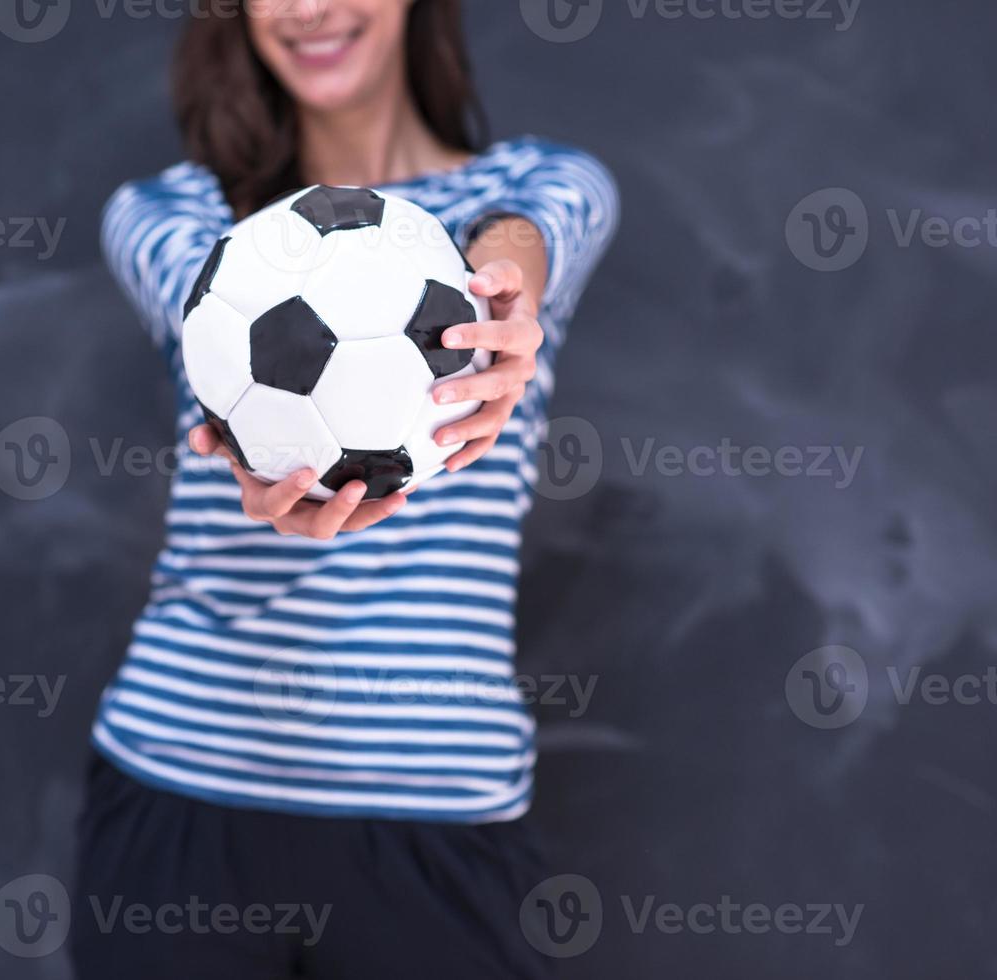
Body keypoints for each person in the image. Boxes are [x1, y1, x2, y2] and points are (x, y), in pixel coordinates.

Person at [74, 1, 618, 976]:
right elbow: (200, 293)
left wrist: (501, 283)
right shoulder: (176, 213)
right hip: (179, 796)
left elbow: (527, 230)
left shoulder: (541, 185)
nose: (308, 8)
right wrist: (256, 459)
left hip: (436, 818)